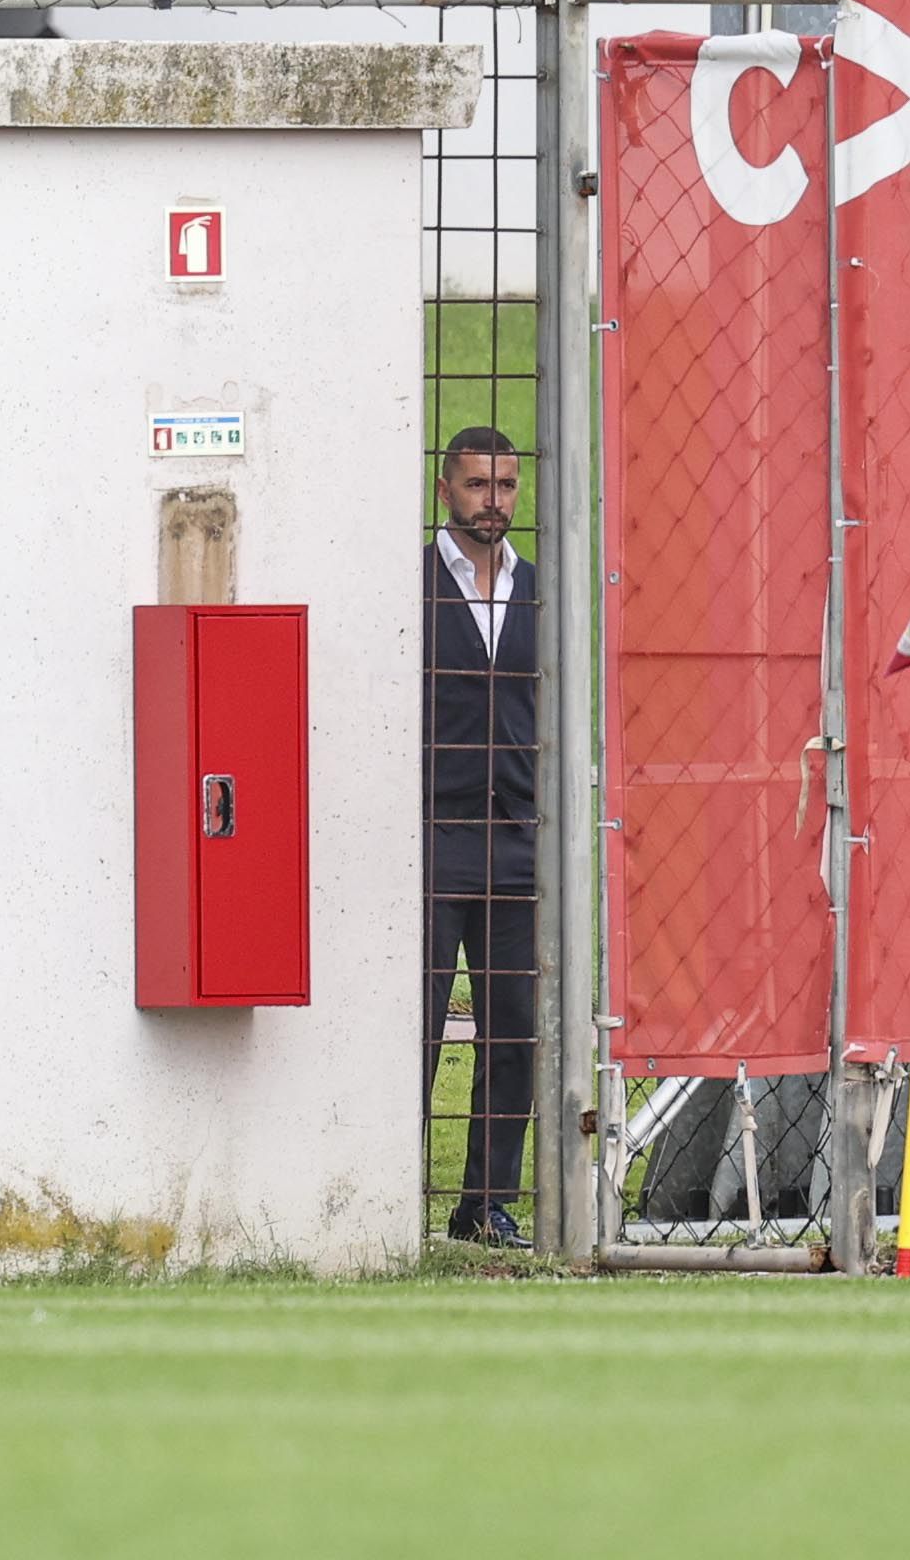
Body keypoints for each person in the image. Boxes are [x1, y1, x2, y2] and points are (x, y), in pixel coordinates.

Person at [424, 422, 537, 1247]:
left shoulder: (539, 589)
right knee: (418, 1028)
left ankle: (483, 1205)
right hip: (431, 838)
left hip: (517, 838)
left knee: (513, 1028)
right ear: (445, 490)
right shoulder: (415, 582)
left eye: (503, 486)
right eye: (476, 486)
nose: (491, 502)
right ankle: (390, 1198)